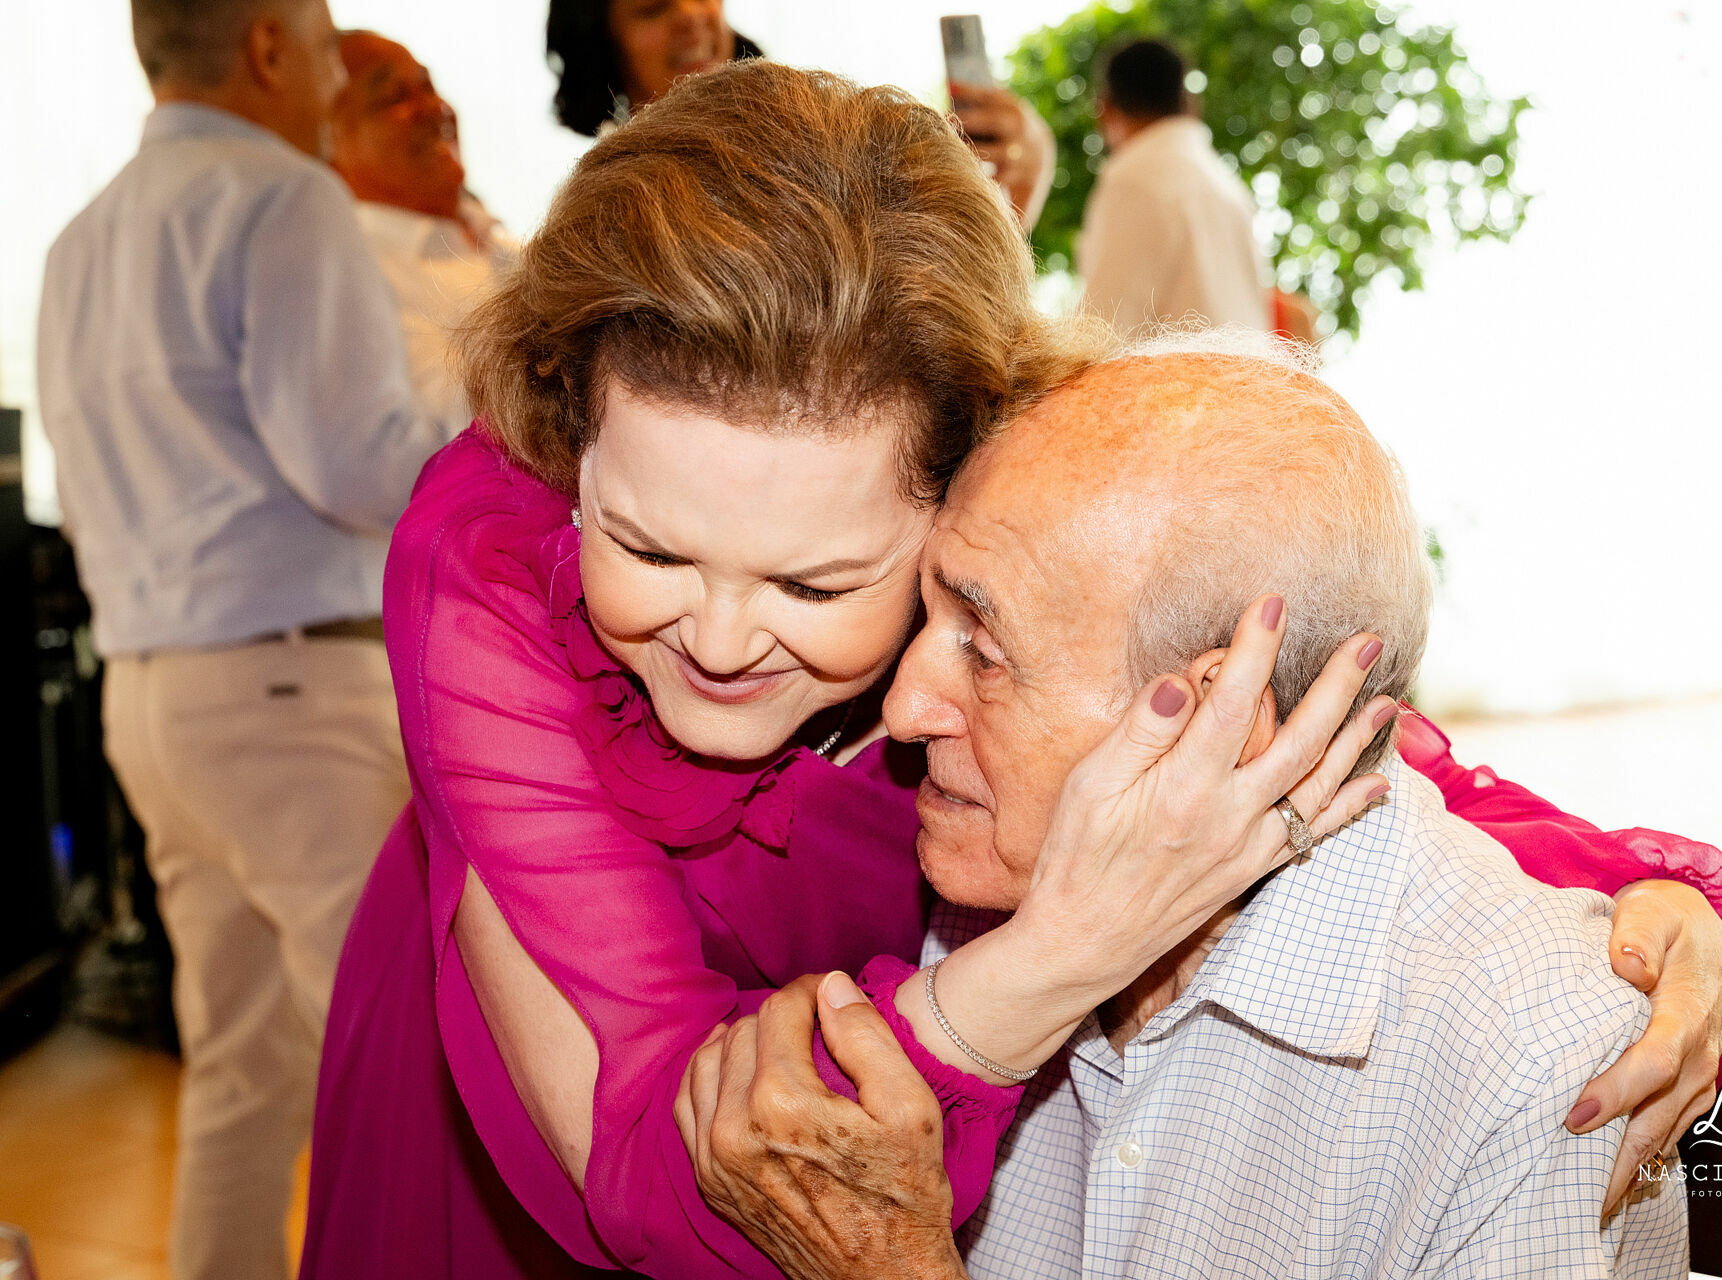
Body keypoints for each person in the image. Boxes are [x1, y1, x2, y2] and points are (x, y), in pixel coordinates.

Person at [301, 61, 1722, 1280]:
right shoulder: (486, 557)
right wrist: (1049, 959)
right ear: (571, 436)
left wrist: (1615, 890)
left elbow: (1256, 685)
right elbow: (640, 1167)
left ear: (959, 485)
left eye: (821, 583)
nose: (726, 635)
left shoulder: (1007, 513)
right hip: (532, 1124)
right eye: (648, 549)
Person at [679, 336, 1697, 1277]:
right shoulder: (979, 882)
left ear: (1214, 726)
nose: (900, 708)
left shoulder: (1534, 1069)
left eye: (983, 651)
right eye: (926, 610)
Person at [34, 1, 445, 1277]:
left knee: (242, 1065)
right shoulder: (284, 196)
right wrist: (502, 422)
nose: (332, 69)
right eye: (324, 40)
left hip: (153, 703)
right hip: (291, 693)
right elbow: (353, 460)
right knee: (405, 1068)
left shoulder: (77, 238)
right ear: (268, 46)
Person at [544, 0, 1056, 229]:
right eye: (653, 8)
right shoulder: (602, 212)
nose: (691, 15)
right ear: (602, 45)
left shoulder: (819, 142)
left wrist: (1014, 192)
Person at [330, 29, 513, 437]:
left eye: (428, 86)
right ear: (328, 145)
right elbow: (445, 426)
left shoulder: (507, 247)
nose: (432, 109)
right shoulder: (351, 275)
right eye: (396, 98)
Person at [1078, 37, 1271, 334]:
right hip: (1249, 378)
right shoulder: (1229, 188)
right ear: (1189, 104)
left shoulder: (1134, 178)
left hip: (1180, 379)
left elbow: (1102, 330)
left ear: (1104, 109)